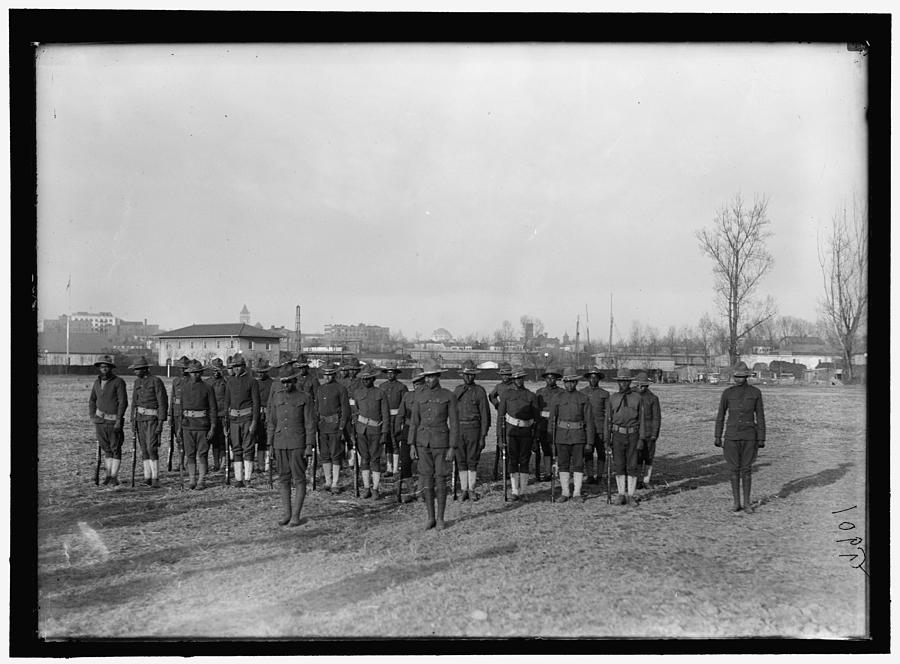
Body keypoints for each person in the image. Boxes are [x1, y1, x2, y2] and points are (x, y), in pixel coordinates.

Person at [408, 358, 459, 529]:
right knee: (427, 480)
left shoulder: (448, 396)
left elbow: (454, 423)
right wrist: (412, 445)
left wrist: (452, 447)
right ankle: (430, 517)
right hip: (423, 444)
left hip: (441, 444)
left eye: (431, 377)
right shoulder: (419, 396)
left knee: (441, 480)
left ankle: (441, 518)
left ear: (438, 376)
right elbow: (414, 422)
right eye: (426, 377)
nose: (428, 380)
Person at [714, 361, 766, 514]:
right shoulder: (727, 393)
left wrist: (762, 438)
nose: (738, 379)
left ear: (747, 377)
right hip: (731, 437)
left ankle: (747, 503)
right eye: (736, 376)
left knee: (747, 470)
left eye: (742, 376)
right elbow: (720, 416)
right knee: (733, 470)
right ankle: (736, 503)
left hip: (750, 436)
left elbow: (761, 417)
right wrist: (717, 435)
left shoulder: (755, 393)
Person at [267, 365, 316, 527]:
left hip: (297, 443)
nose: (286, 385)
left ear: (295, 381)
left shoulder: (305, 398)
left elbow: (310, 423)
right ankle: (286, 513)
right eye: (283, 382)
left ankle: (296, 515)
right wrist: (270, 444)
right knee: (283, 479)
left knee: (299, 479)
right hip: (280, 442)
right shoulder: (276, 397)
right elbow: (272, 423)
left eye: (288, 382)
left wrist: (309, 445)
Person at [549, 367, 595, 502]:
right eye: (567, 382)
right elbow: (552, 420)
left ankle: (577, 493)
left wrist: (590, 442)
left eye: (572, 382)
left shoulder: (583, 398)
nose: (569, 384)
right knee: (563, 464)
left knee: (578, 464)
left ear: (576, 383)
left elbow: (589, 421)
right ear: (563, 382)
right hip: (561, 436)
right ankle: (565, 492)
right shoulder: (557, 398)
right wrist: (551, 439)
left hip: (578, 436)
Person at [497, 366, 540, 501]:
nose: (519, 381)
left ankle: (524, 491)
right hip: (511, 432)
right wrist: (500, 437)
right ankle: (515, 491)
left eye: (521, 378)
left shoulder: (531, 396)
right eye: (516, 378)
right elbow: (500, 417)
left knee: (525, 461)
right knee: (513, 460)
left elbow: (537, 419)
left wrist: (535, 438)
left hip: (527, 433)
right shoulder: (506, 395)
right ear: (513, 379)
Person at [88, 355, 128, 487]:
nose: (104, 368)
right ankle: (108, 475)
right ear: (99, 368)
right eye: (102, 366)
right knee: (106, 449)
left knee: (115, 448)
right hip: (100, 422)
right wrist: (93, 416)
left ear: (111, 367)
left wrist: (118, 420)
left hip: (113, 422)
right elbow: (92, 400)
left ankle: (114, 476)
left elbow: (123, 402)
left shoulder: (118, 382)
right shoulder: (96, 382)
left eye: (106, 366)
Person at [453, 359, 490, 501]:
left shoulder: (480, 391)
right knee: (461, 460)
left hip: (474, 429)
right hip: (459, 430)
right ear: (462, 375)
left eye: (471, 375)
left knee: (472, 460)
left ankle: (472, 489)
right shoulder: (457, 391)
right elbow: (452, 413)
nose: (468, 377)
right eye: (466, 375)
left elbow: (485, 415)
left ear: (475, 375)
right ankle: (463, 490)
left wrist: (483, 436)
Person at [129, 356, 169, 487]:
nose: (135, 372)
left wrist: (160, 423)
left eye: (137, 369)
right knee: (144, 449)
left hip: (153, 420)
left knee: (152, 448)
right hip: (140, 420)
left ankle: (155, 477)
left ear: (145, 369)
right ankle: (147, 477)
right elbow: (134, 402)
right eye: (135, 370)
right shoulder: (136, 383)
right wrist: (132, 420)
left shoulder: (156, 381)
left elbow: (162, 403)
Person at [353, 364, 391, 499]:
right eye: (363, 379)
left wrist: (384, 433)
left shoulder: (380, 393)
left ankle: (375, 488)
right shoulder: (357, 393)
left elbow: (385, 415)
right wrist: (354, 433)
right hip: (361, 431)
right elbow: (355, 414)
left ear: (373, 379)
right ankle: (366, 488)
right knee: (364, 459)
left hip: (376, 431)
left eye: (368, 379)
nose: (365, 381)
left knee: (375, 460)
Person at [609, 369, 645, 506]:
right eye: (621, 381)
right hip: (618, 435)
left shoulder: (637, 398)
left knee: (632, 465)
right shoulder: (613, 398)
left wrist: (641, 438)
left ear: (629, 382)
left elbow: (642, 420)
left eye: (626, 381)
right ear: (618, 382)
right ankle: (620, 494)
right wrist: (607, 440)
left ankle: (630, 495)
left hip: (633, 435)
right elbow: (608, 420)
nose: (623, 384)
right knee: (619, 465)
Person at [224, 353, 260, 488]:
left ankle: (247, 478)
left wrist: (254, 422)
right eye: (234, 366)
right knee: (236, 448)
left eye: (239, 366)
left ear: (244, 366)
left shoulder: (252, 381)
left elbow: (256, 403)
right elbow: (226, 402)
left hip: (247, 419)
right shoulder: (230, 381)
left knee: (248, 448)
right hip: (233, 420)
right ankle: (238, 479)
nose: (236, 369)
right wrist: (226, 422)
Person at [179, 360, 217, 490]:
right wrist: (179, 427)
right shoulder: (183, 387)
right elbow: (180, 409)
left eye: (197, 372)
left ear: (201, 373)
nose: (195, 375)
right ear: (189, 373)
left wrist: (212, 426)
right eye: (193, 372)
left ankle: (201, 480)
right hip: (187, 425)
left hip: (202, 426)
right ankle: (192, 480)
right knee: (190, 453)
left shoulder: (208, 388)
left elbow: (213, 409)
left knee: (202, 453)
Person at [315, 362, 351, 494]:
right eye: (325, 374)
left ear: (334, 375)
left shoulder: (340, 389)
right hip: (322, 427)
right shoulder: (320, 389)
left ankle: (335, 482)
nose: (327, 377)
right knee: (324, 454)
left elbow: (345, 411)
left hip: (335, 426)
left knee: (336, 455)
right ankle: (328, 481)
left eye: (330, 374)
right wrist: (315, 424)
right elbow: (316, 409)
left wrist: (341, 428)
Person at [395, 371, 424, 502]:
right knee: (406, 462)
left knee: (424, 462)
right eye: (415, 383)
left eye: (420, 383)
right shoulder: (407, 396)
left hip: (423, 431)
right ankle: (411, 489)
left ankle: (420, 491)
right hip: (407, 430)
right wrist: (397, 431)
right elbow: (400, 414)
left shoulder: (428, 396)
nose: (417, 386)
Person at [581, 367, 610, 485]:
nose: (593, 380)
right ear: (588, 378)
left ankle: (599, 475)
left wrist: (606, 429)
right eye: (591, 377)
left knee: (601, 453)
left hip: (600, 428)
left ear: (599, 379)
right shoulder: (582, 393)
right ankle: (589, 475)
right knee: (588, 453)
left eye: (596, 377)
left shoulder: (604, 394)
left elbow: (608, 413)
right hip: (587, 428)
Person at [379, 361, 408, 478]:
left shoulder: (402, 387)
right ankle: (389, 468)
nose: (390, 375)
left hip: (397, 418)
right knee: (387, 443)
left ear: (396, 374)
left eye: (392, 373)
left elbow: (405, 404)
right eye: (388, 373)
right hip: (385, 418)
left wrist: (401, 420)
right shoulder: (382, 387)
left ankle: (396, 469)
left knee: (396, 443)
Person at [535, 367, 564, 482]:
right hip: (543, 423)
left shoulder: (561, 392)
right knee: (546, 448)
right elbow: (536, 410)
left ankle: (557, 471)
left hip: (557, 424)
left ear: (556, 379)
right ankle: (548, 472)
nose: (550, 380)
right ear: (545, 379)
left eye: (553, 378)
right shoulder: (540, 392)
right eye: (548, 378)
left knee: (557, 448)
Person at [635, 371, 661, 488]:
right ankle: (636, 480)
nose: (641, 387)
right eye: (639, 384)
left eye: (643, 385)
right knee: (637, 457)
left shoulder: (653, 398)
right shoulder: (631, 396)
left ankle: (646, 480)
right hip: (635, 433)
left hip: (649, 433)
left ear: (647, 385)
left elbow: (656, 418)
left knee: (648, 458)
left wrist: (654, 434)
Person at [205, 358, 229, 471]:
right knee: (213, 441)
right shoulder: (207, 383)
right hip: (211, 416)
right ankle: (216, 463)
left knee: (223, 441)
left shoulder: (226, 382)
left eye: (218, 370)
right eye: (214, 370)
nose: (216, 373)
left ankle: (223, 462)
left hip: (223, 415)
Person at [252, 358, 274, 474]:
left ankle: (267, 464)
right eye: (258, 372)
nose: (260, 374)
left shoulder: (272, 383)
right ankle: (259, 464)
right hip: (257, 414)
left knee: (268, 439)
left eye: (262, 372)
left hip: (269, 414)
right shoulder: (254, 383)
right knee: (258, 439)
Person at [168, 355, 190, 471]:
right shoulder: (175, 381)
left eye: (185, 368)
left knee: (187, 439)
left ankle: (187, 462)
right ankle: (180, 462)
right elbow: (172, 397)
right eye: (181, 368)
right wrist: (170, 415)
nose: (183, 370)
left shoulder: (192, 380)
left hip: (187, 413)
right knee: (178, 439)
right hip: (176, 413)